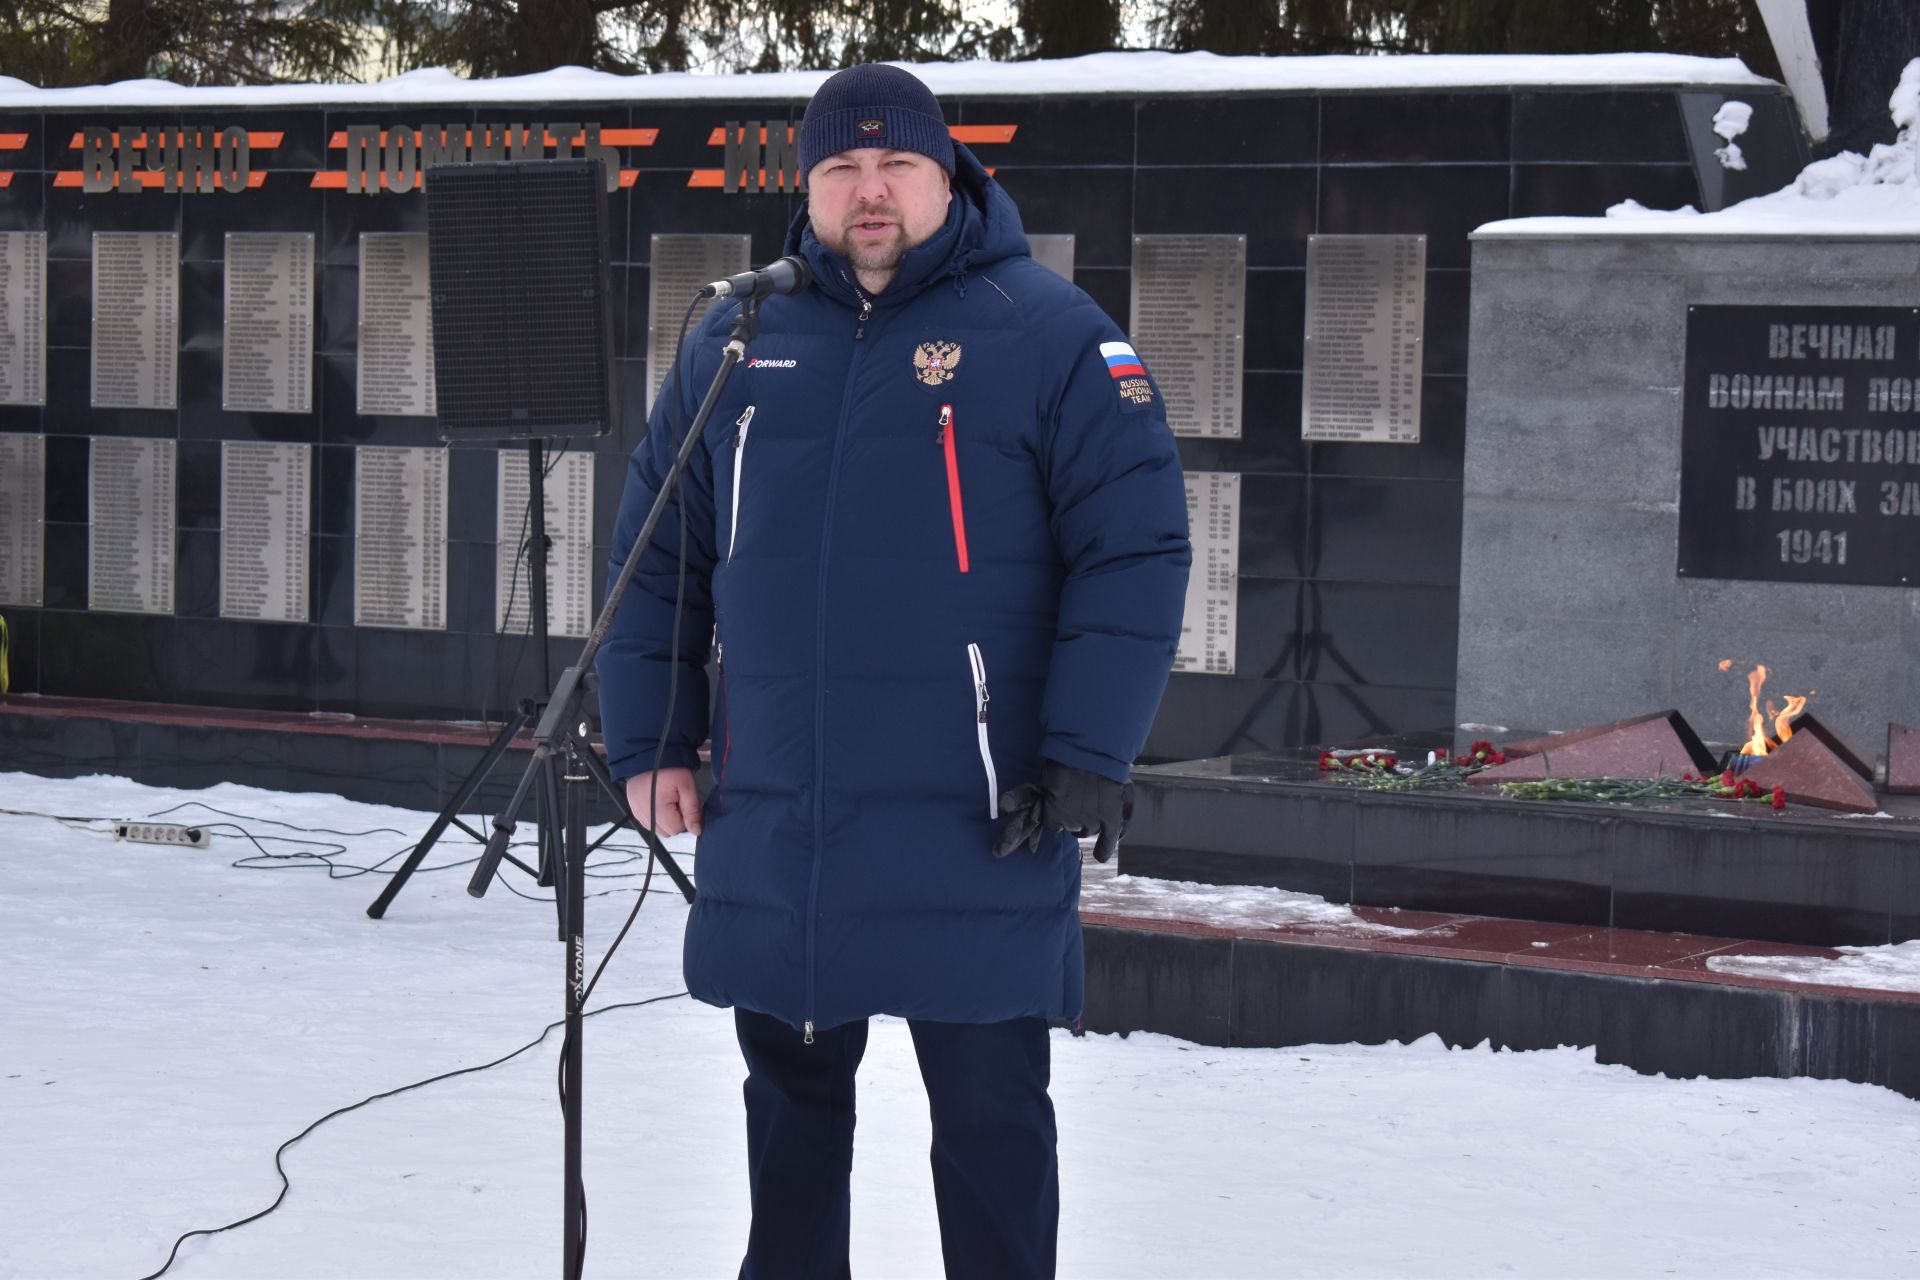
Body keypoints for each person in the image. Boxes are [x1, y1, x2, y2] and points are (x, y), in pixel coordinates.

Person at [597, 62, 1191, 1280]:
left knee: (990, 1134)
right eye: (841, 169)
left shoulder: (1051, 334)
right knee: (790, 1134)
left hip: (977, 821)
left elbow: (1135, 548)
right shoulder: (736, 337)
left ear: (947, 174)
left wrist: (1086, 749)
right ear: (807, 187)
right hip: (786, 819)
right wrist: (651, 735)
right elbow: (658, 549)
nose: (870, 192)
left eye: (896, 165)